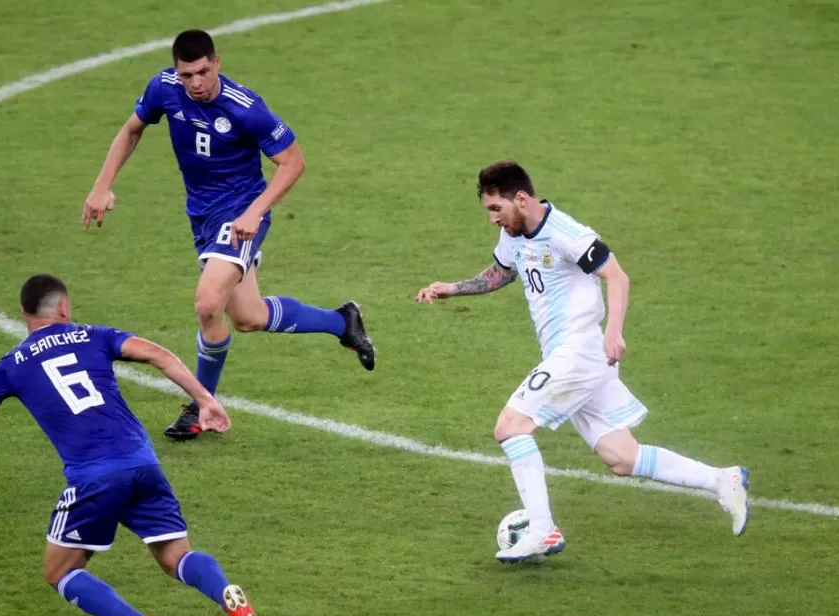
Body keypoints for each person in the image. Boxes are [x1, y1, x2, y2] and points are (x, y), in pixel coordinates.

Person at [415, 162, 750, 564]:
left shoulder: (567, 233)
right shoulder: (514, 233)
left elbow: (617, 276)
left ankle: (542, 530)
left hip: (580, 351)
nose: (493, 220)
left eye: (496, 209)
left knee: (510, 427)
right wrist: (453, 288)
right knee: (621, 457)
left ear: (520, 199)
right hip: (574, 357)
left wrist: (614, 330)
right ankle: (722, 479)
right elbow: (503, 272)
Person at [82, 29, 375, 441]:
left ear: (217, 63)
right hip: (201, 214)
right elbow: (132, 129)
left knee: (207, 304)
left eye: (202, 71)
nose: (196, 83)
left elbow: (293, 162)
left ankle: (200, 405)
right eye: (187, 75)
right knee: (248, 318)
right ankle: (340, 321)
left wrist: (256, 212)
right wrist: (102, 184)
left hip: (241, 212)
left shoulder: (245, 108)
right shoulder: (164, 88)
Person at [0, 274, 262, 616]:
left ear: (24, 314)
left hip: (94, 477)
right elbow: (158, 355)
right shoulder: (93, 336)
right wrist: (203, 399)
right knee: (175, 557)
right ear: (64, 308)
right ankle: (224, 593)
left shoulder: (10, 366)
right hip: (144, 464)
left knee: (60, 571)